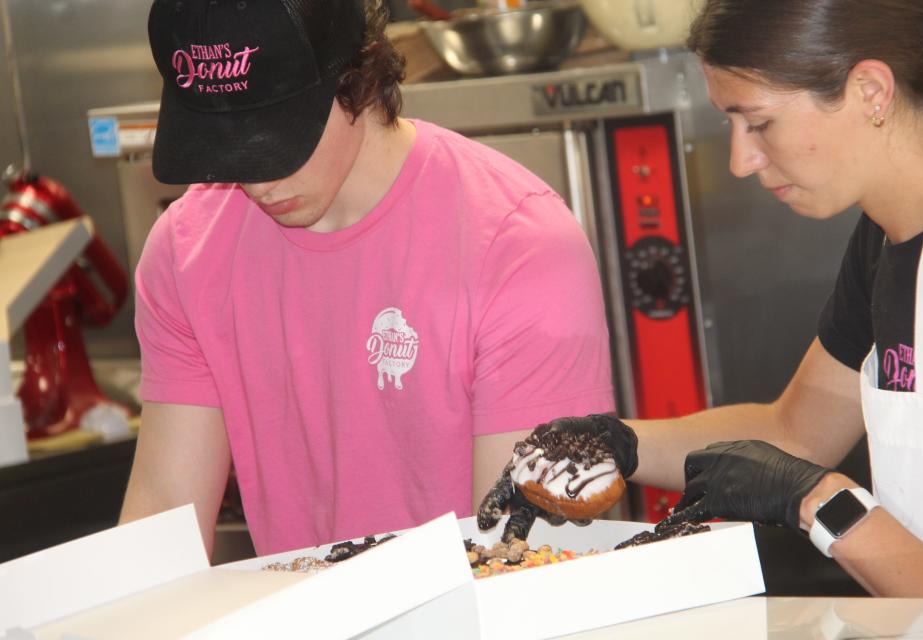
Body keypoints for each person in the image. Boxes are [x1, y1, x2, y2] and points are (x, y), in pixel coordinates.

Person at [480, 0, 923, 597]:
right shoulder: (883, 243)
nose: (740, 161)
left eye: (758, 123)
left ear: (869, 90)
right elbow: (796, 433)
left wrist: (820, 503)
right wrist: (618, 442)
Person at [120, 0, 615, 558]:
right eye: (223, 146)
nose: (255, 183)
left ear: (357, 77)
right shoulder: (187, 251)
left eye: (276, 137)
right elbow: (164, 511)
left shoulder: (517, 245)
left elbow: (523, 552)